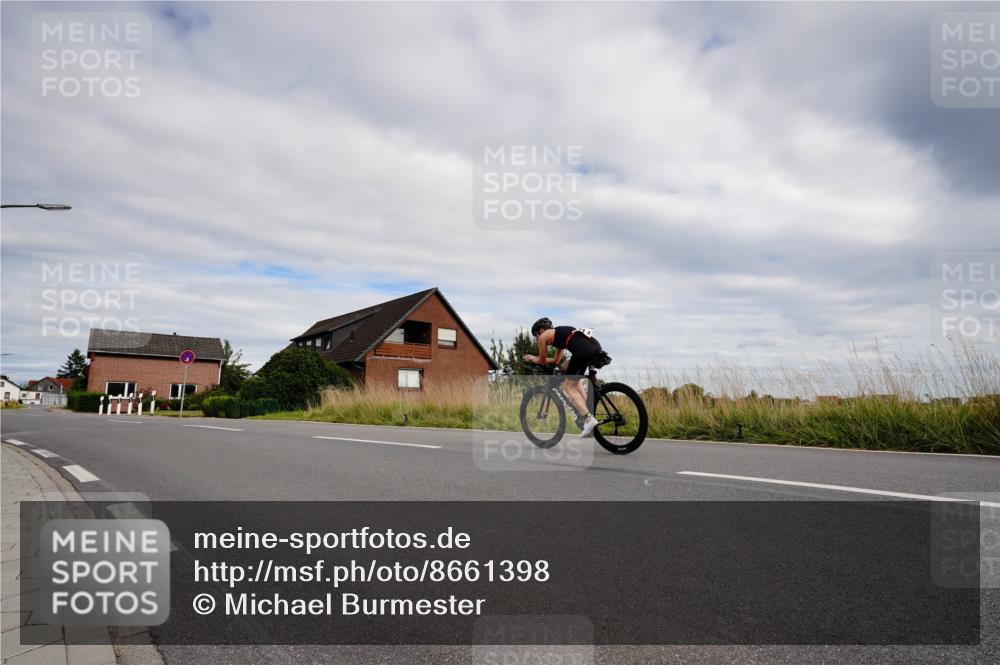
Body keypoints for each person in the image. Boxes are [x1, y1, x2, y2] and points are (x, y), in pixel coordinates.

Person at [523, 317, 601, 437]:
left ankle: (588, 419)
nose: (536, 338)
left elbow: (542, 361)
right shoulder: (559, 334)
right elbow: (556, 361)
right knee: (572, 377)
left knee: (568, 386)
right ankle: (585, 408)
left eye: (536, 335)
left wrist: (532, 358)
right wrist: (564, 365)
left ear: (541, 330)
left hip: (582, 350)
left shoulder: (543, 337)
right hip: (593, 345)